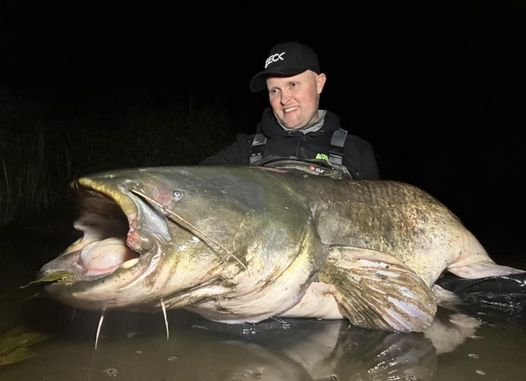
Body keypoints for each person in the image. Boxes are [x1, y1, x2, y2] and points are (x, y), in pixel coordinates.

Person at [201, 41, 380, 180]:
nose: (284, 99)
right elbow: (198, 180)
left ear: (319, 83)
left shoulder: (356, 151)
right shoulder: (245, 150)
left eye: (293, 85)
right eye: (274, 90)